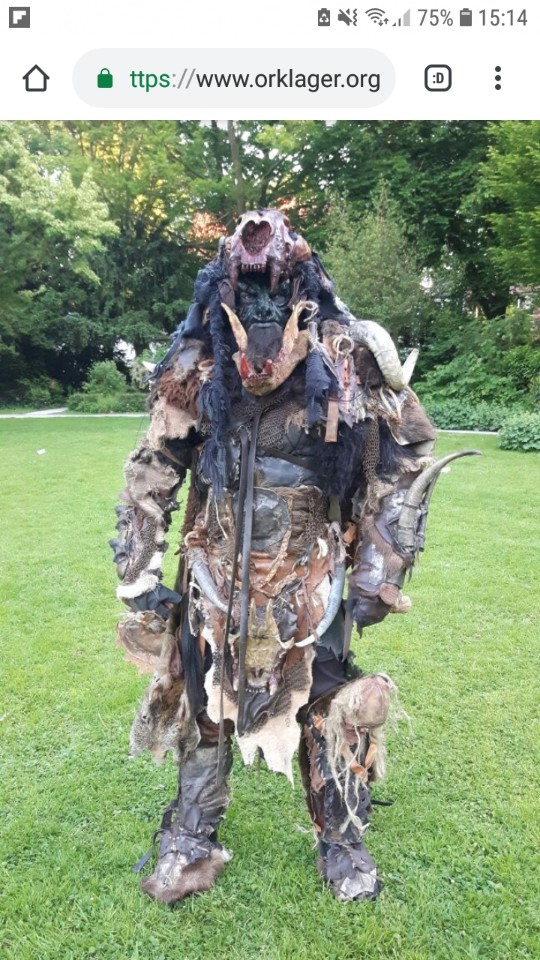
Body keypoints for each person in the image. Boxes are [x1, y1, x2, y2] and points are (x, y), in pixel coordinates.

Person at [110, 209, 475, 903]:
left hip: (309, 576)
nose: (259, 307)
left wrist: (380, 569)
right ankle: (192, 829)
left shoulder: (343, 360)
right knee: (206, 698)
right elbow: (153, 464)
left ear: (301, 284)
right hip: (215, 571)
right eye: (244, 290)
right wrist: (139, 572)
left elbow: (400, 461)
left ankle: (342, 836)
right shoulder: (199, 366)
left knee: (330, 700)